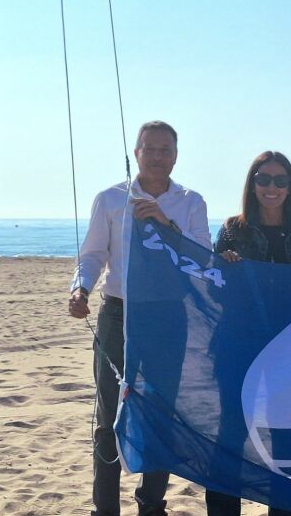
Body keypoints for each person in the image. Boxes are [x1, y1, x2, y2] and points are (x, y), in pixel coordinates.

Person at [68, 120, 211, 516]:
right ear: (137, 153)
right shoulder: (111, 199)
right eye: (150, 149)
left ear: (175, 157)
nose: (157, 157)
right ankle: (105, 509)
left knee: (160, 415)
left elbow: (202, 259)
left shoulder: (191, 202)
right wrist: (80, 289)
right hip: (118, 313)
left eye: (165, 150)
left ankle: (151, 505)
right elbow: (93, 255)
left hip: (168, 316)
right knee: (110, 416)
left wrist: (167, 224)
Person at [206, 151, 291, 516]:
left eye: (280, 180)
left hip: (289, 347)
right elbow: (213, 290)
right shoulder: (232, 230)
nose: (272, 187)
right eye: (264, 179)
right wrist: (225, 271)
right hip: (238, 343)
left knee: (285, 431)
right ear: (252, 184)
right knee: (232, 431)